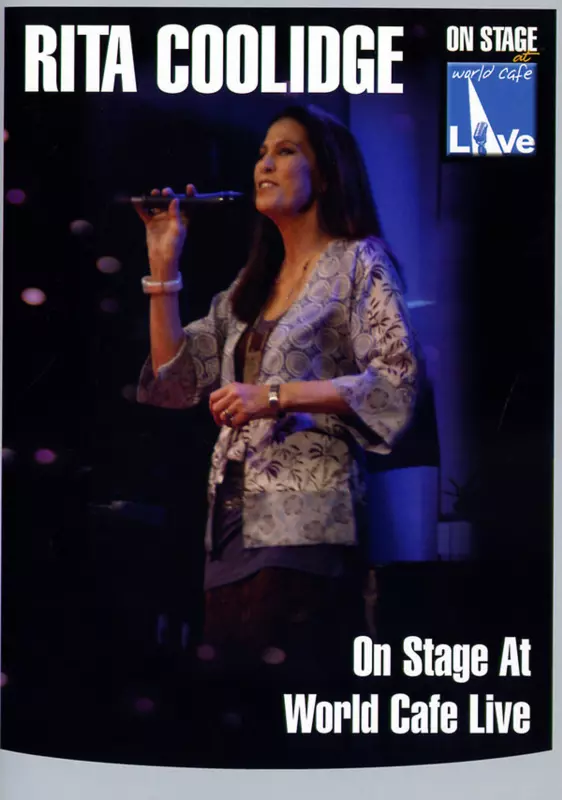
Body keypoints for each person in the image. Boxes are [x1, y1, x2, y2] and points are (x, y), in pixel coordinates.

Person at [135, 104, 421, 687]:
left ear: (328, 174)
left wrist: (273, 395)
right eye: (262, 152)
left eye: (285, 151)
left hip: (306, 524)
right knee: (231, 704)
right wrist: (163, 264)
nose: (264, 164)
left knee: (286, 696)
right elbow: (174, 381)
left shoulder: (358, 261)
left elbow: (396, 380)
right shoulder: (250, 287)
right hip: (229, 530)